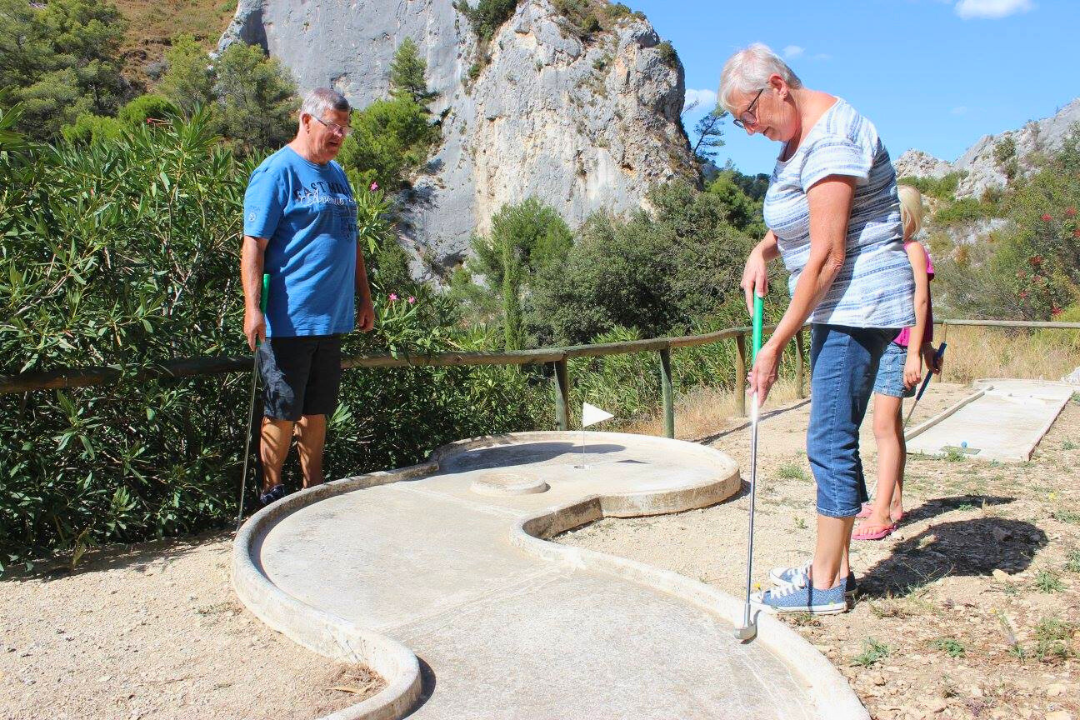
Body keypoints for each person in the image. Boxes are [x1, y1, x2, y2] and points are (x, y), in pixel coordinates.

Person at [718, 44, 915, 614]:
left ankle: (824, 585)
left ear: (777, 86)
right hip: (840, 305)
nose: (749, 129)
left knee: (829, 439)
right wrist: (761, 250)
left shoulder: (831, 139)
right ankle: (835, 568)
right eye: (739, 121)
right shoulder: (802, 137)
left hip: (857, 304)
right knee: (834, 434)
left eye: (749, 114)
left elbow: (828, 254)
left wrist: (774, 344)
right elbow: (806, 218)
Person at [240, 88, 376, 506]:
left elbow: (351, 240)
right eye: (333, 126)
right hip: (288, 319)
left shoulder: (337, 174)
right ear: (305, 121)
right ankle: (271, 493)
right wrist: (252, 309)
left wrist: (364, 297)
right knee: (282, 409)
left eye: (345, 128)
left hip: (331, 318)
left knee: (316, 409)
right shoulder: (276, 172)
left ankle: (311, 489)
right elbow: (253, 246)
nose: (339, 135)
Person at [854, 185, 942, 540]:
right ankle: (894, 502)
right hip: (888, 344)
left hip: (898, 347)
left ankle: (881, 514)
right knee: (893, 429)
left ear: (907, 217)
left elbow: (921, 304)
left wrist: (915, 353)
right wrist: (928, 348)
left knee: (883, 429)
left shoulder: (913, 250)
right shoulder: (893, 250)